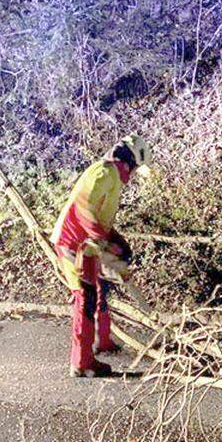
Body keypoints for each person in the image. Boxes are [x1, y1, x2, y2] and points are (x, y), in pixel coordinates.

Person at [51, 135, 150, 377]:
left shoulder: (112, 177)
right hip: (73, 243)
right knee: (85, 298)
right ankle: (82, 363)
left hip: (88, 244)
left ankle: (100, 343)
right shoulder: (104, 173)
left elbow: (99, 214)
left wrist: (116, 242)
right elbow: (84, 210)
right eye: (135, 169)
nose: (134, 174)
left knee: (97, 290)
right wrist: (105, 242)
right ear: (129, 162)